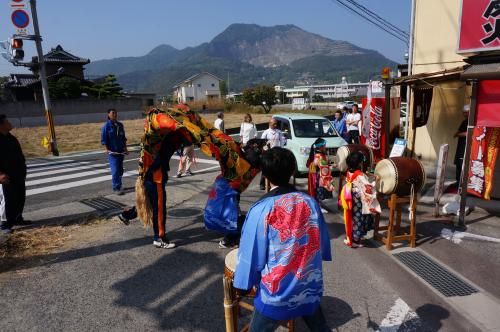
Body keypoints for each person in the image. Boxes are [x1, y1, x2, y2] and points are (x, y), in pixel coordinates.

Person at [234, 147, 332, 332]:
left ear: (265, 175)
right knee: (318, 325)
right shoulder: (310, 202)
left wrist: (243, 285)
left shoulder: (262, 209)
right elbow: (321, 242)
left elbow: (251, 255)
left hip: (276, 293)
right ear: (293, 170)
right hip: (309, 284)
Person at [339, 151, 380, 248]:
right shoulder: (360, 175)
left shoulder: (349, 171)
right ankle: (355, 240)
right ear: (359, 163)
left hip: (349, 195)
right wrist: (376, 181)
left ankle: (350, 236)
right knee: (359, 217)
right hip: (358, 199)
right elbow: (368, 188)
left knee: (351, 216)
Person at [0, 114, 30, 234]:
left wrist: (23, 168)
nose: (10, 123)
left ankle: (17, 218)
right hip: (5, 176)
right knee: (7, 200)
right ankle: (5, 223)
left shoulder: (11, 138)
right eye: (7, 121)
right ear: (1, 125)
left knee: (19, 197)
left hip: (18, 174)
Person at [101, 109, 128, 195]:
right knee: (115, 170)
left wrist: (126, 149)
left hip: (121, 151)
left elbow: (123, 138)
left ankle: (119, 184)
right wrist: (107, 149)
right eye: (113, 113)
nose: (115, 114)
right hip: (112, 153)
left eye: (116, 113)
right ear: (108, 115)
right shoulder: (106, 126)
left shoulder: (120, 125)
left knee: (120, 170)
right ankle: (116, 188)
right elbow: (104, 139)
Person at [307, 138, 335, 212]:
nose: (325, 147)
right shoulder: (318, 156)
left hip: (320, 174)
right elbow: (322, 166)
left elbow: (323, 164)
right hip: (318, 176)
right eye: (324, 146)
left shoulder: (320, 155)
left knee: (318, 190)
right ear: (320, 147)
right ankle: (318, 206)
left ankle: (318, 205)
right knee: (318, 190)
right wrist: (331, 167)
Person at [259, 118, 286, 190]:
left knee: (276, 168)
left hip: (276, 153)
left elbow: (282, 142)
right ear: (270, 124)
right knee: (266, 167)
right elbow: (262, 143)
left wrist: (281, 150)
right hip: (268, 153)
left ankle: (276, 182)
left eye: (276, 124)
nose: (275, 125)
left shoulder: (279, 132)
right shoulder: (266, 132)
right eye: (274, 124)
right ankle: (262, 183)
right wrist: (265, 148)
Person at [454, 105, 469, 184]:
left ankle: (459, 182)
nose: (464, 114)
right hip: (461, 146)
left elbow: (468, 133)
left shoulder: (468, 122)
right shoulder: (465, 122)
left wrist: (460, 134)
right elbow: (456, 134)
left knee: (460, 164)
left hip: (464, 147)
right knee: (459, 163)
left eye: (466, 112)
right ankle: (459, 181)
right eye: (464, 112)